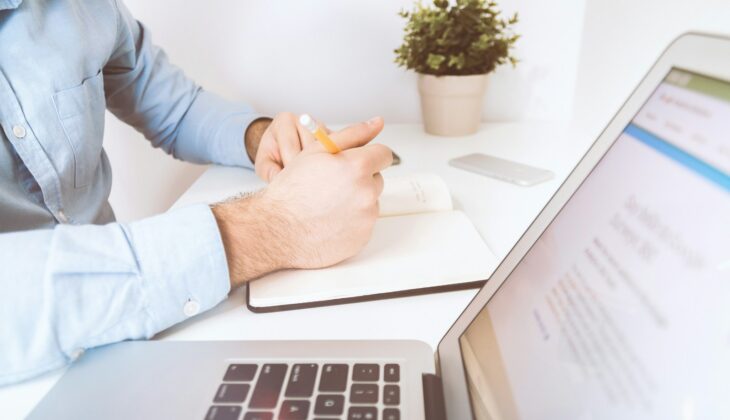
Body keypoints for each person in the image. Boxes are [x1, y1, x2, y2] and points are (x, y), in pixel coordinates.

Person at [0, 0, 392, 385]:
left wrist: (260, 137)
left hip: (132, 340)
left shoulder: (86, 8)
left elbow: (176, 109)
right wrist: (277, 225)